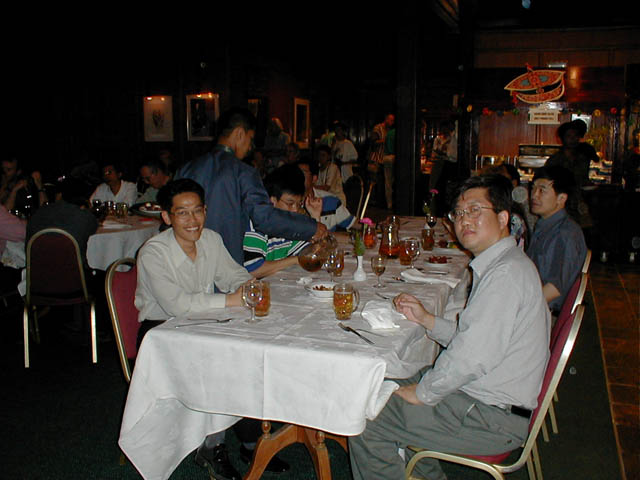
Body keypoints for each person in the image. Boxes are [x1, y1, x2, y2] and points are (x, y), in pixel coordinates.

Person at [349, 174, 550, 480]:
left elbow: (472, 357)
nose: (464, 220)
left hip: (490, 417)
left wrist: (424, 392)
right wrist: (427, 320)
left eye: (475, 210)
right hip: (488, 400)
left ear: (503, 218)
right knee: (387, 381)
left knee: (364, 417)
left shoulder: (505, 275)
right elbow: (477, 340)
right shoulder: (506, 263)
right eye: (459, 213)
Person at [135, 178, 290, 480]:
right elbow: (177, 304)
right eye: (182, 213)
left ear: (205, 210)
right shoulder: (153, 252)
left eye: (197, 210)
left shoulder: (211, 239)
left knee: (250, 348)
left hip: (202, 322)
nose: (192, 220)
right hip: (161, 333)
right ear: (166, 216)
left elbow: (234, 275)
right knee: (220, 361)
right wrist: (231, 299)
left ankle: (251, 441)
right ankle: (212, 445)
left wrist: (249, 288)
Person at [176, 107, 326, 266]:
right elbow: (264, 218)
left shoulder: (185, 169)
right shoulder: (243, 172)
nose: (250, 147)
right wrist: (310, 227)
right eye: (250, 139)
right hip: (226, 263)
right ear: (240, 134)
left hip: (187, 259)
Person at [527, 166, 587, 315]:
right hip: (535, 302)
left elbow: (554, 289)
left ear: (561, 198)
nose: (534, 195)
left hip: (544, 313)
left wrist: (519, 309)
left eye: (542, 190)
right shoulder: (546, 226)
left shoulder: (565, 234)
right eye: (533, 188)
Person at [243, 164, 321, 278]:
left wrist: (315, 217)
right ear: (272, 201)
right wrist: (296, 260)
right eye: (290, 203)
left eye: (298, 204)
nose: (295, 210)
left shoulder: (290, 225)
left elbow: (315, 253)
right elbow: (254, 269)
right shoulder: (256, 224)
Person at [27, 177, 99, 268]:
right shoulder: (83, 217)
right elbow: (94, 229)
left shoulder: (38, 214)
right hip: (75, 273)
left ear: (59, 195)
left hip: (36, 272)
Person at [545, 119, 594, 229]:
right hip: (560, 205)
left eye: (575, 136)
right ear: (562, 139)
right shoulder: (555, 160)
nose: (573, 139)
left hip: (580, 204)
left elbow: (583, 179)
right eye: (569, 136)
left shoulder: (583, 158)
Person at [298, 157, 355, 232]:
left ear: (314, 179)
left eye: (303, 173)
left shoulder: (330, 200)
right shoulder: (290, 203)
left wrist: (369, 226)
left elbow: (350, 222)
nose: (298, 176)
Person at [429, 121, 458, 215]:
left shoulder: (453, 139)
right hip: (439, 165)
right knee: (434, 188)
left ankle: (439, 211)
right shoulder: (438, 139)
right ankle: (433, 210)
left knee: (442, 190)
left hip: (448, 166)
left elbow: (452, 155)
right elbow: (434, 154)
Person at [369, 114, 395, 207]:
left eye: (393, 121)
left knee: (383, 182)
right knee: (374, 182)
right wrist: (385, 140)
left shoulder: (390, 130)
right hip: (376, 158)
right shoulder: (378, 128)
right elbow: (373, 142)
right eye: (391, 120)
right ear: (386, 119)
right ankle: (373, 201)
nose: (392, 122)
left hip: (384, 158)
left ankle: (381, 202)